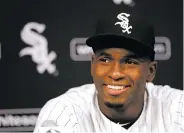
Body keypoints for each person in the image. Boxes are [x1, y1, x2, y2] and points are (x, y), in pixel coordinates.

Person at [33, 10, 184, 133]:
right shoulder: (64, 114)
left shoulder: (177, 109)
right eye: (105, 60)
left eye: (130, 62)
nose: (116, 73)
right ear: (93, 64)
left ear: (150, 71)